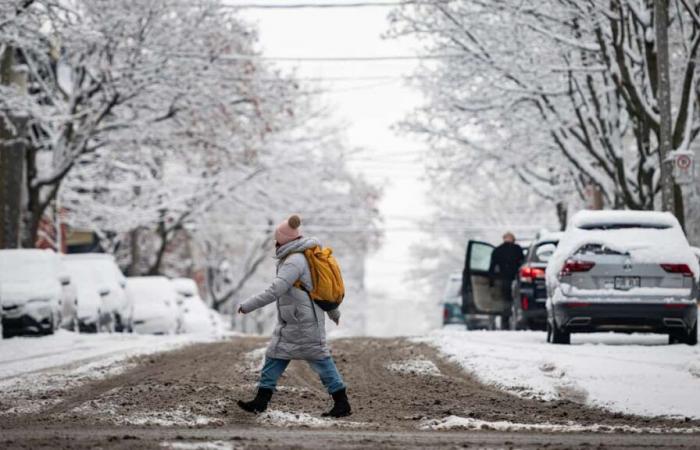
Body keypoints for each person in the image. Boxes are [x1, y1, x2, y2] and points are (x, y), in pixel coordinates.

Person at [236, 215, 351, 418]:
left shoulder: (294, 261)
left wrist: (248, 305)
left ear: (284, 240)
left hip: (303, 322)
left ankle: (342, 403)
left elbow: (275, 290)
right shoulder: (302, 256)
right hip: (297, 321)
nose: (275, 242)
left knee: (321, 360)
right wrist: (333, 312)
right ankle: (260, 402)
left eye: (277, 239)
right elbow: (316, 288)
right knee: (275, 356)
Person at [488, 231, 524, 307]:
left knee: (505, 299)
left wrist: (491, 281)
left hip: (503, 278)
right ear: (513, 239)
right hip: (516, 278)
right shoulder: (517, 249)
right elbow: (522, 264)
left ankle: (506, 315)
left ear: (504, 239)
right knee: (517, 298)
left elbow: (492, 267)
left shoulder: (497, 250)